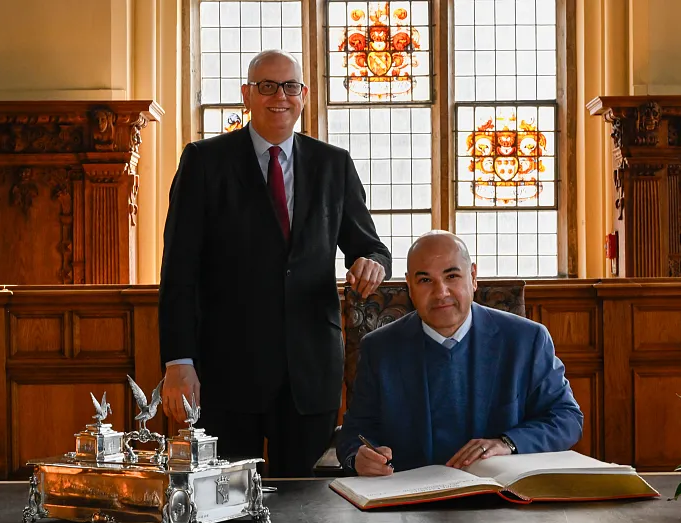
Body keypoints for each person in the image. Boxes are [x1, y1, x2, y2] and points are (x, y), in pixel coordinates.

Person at [158, 49, 391, 477]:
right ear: (247, 94)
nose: (278, 96)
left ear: (303, 95)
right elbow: (178, 270)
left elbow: (370, 247)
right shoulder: (205, 161)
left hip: (311, 371)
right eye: (266, 86)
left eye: (289, 86)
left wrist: (371, 263)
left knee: (309, 511)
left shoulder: (332, 164)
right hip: (228, 370)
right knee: (226, 509)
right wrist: (178, 362)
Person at [337, 231, 582, 476]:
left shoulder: (526, 340)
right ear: (409, 286)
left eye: (452, 276)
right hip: (409, 500)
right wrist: (358, 456)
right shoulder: (380, 348)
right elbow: (355, 431)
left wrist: (507, 443)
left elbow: (566, 418)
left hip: (499, 499)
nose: (441, 292)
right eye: (425, 280)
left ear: (473, 277)